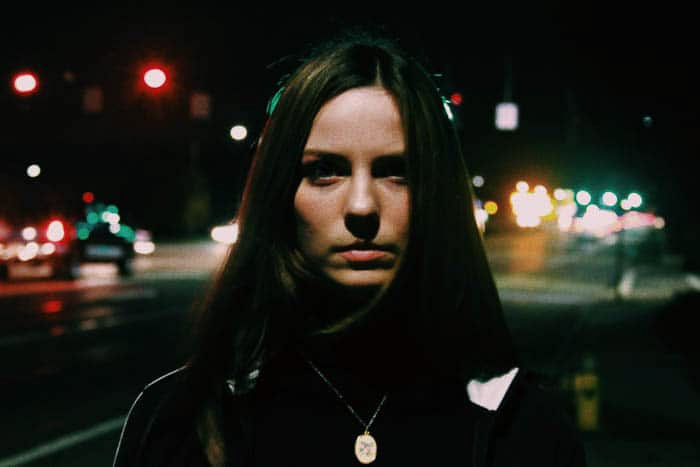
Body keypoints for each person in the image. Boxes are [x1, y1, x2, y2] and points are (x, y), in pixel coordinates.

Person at [113, 26, 586, 467]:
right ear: (279, 192)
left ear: (438, 193)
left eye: (398, 171)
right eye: (325, 170)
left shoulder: (518, 426)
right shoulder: (180, 421)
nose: (362, 206)